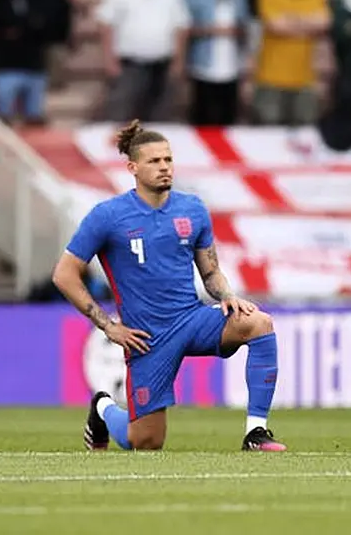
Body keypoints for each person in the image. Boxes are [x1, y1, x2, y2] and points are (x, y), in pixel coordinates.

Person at [51, 120, 286, 453]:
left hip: (191, 320)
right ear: (132, 168)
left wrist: (228, 295)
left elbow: (211, 273)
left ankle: (256, 433)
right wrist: (108, 325)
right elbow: (64, 274)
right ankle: (103, 408)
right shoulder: (108, 215)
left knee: (258, 323)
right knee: (146, 442)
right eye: (154, 161)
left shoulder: (192, 209)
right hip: (147, 337)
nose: (164, 167)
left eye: (168, 160)